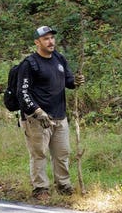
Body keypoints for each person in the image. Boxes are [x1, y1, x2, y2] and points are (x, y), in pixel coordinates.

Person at [18, 25, 84, 197]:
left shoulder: (59, 58)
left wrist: (76, 80)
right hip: (37, 118)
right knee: (39, 154)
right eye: (46, 38)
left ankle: (63, 186)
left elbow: (68, 81)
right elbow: (22, 92)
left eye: (52, 38)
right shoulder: (29, 64)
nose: (51, 41)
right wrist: (37, 111)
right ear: (37, 42)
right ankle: (40, 188)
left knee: (63, 153)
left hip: (59, 116)